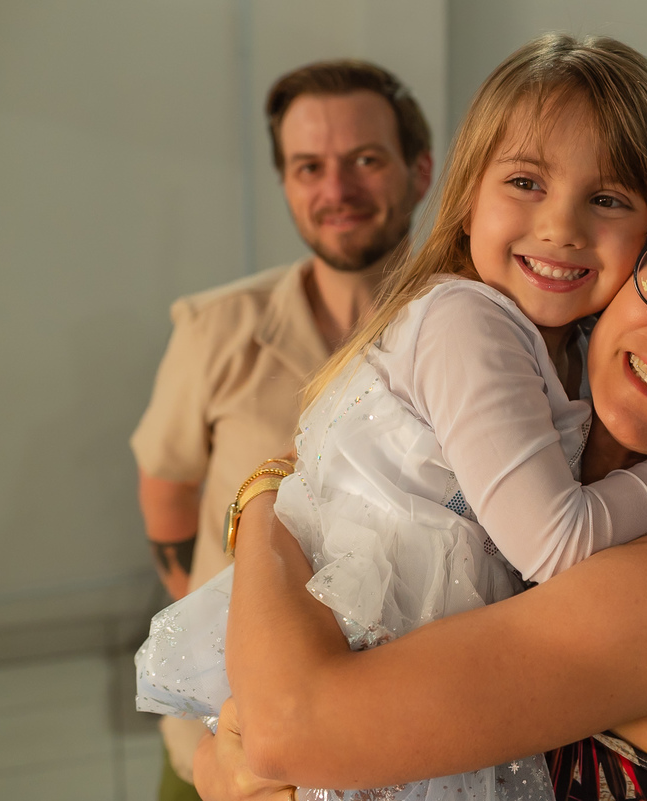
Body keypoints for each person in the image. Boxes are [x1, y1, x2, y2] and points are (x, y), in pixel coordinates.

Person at [137, 34, 647, 801]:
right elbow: (556, 540)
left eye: (608, 199)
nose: (561, 227)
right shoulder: (469, 322)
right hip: (362, 634)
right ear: (465, 198)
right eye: (525, 181)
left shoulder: (583, 348)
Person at [194, 163, 647, 801]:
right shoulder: (522, 446)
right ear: (629, 260)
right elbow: (227, 753)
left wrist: (265, 493)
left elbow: (287, 725)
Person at [131, 59, 432, 798]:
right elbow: (167, 492)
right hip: (221, 740)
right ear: (288, 183)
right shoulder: (215, 330)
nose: (336, 191)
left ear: (420, 171)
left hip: (403, 729)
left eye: (366, 159)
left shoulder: (475, 338)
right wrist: (229, 618)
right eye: (308, 167)